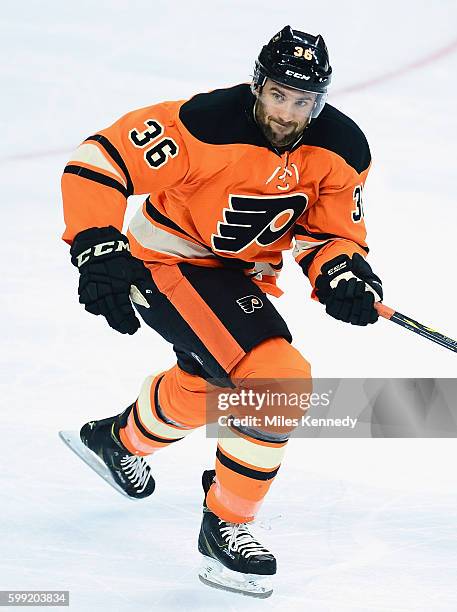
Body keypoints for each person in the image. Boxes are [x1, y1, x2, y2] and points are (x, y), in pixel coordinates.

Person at [60, 25, 383, 597]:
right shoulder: (202, 124)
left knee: (210, 383)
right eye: (279, 94)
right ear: (259, 84)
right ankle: (226, 527)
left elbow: (329, 235)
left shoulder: (341, 150)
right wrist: (98, 245)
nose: (288, 112)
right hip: (168, 263)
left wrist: (342, 273)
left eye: (304, 100)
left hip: (239, 277)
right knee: (278, 381)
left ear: (321, 100)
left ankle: (118, 441)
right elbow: (98, 161)